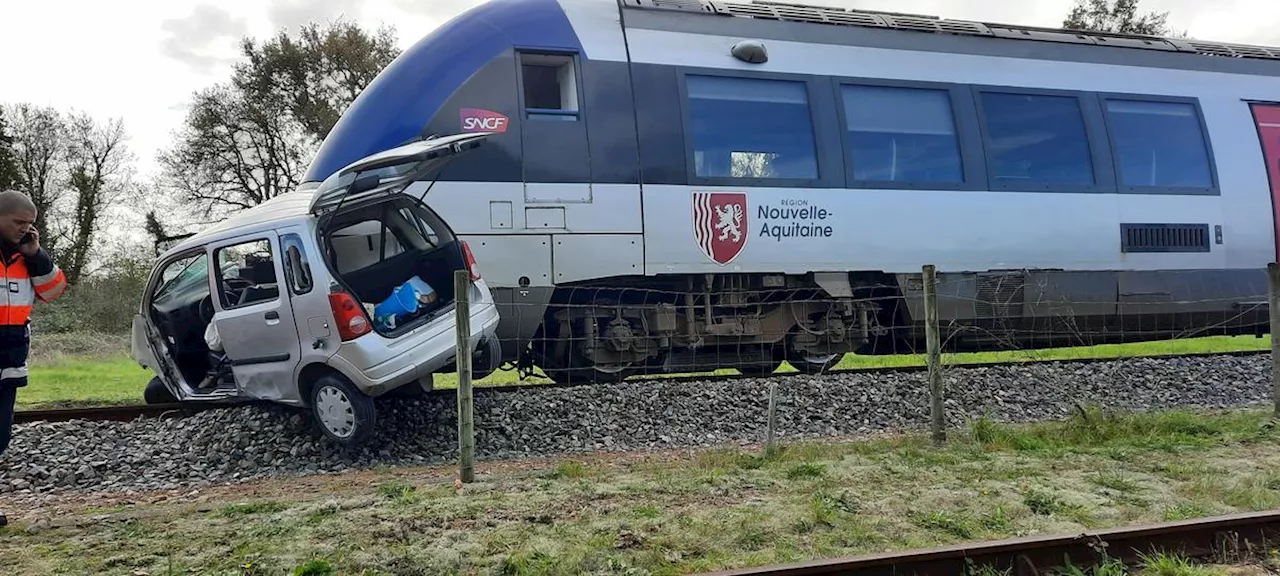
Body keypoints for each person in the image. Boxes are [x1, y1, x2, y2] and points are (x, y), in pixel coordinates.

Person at [0, 190, 68, 528]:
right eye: (19, 222)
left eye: (31, 224)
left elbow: (53, 291)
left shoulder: (28, 257)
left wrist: (37, 254)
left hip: (9, 360)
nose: (25, 229)